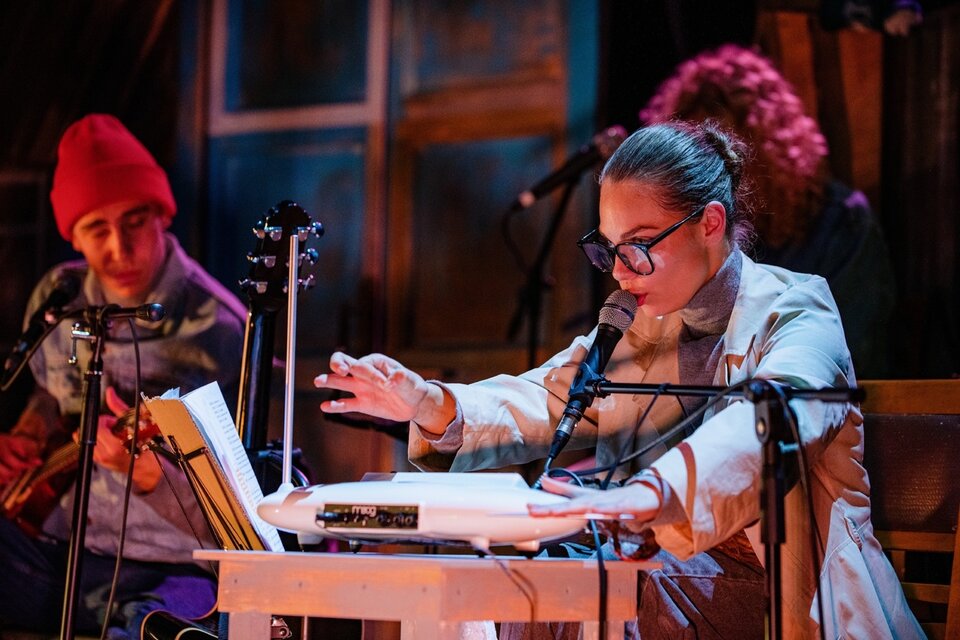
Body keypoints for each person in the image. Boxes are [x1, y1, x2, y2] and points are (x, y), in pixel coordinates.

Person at [314, 122, 921, 638]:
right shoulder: (639, 322)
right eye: (609, 248)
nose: (621, 271)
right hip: (659, 566)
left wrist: (650, 495)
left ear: (710, 223)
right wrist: (428, 402)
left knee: (605, 592)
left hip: (784, 592)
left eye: (639, 245)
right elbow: (549, 397)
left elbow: (775, 416)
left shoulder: (798, 311)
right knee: (513, 579)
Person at [0, 114, 246, 639]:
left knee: (155, 629)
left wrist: (155, 475)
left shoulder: (225, 331)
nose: (118, 248)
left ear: (162, 215)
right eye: (97, 229)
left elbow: (252, 498)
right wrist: (27, 436)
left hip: (178, 567)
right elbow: (49, 391)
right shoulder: (60, 299)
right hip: (64, 554)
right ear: (74, 236)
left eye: (135, 221)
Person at [640, 43, 896, 379]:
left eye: (718, 157)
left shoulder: (842, 221)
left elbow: (848, 349)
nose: (702, 180)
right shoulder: (689, 233)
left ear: (761, 149)